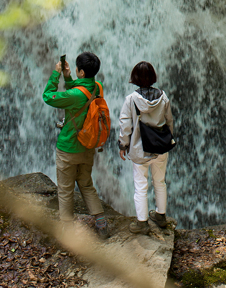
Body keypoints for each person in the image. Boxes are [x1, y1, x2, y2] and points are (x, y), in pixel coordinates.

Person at [43, 51, 110, 239]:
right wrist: (68, 77)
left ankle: (67, 231)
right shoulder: (98, 87)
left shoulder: (73, 96)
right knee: (86, 184)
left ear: (81, 71)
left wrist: (56, 74)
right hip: (88, 147)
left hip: (68, 148)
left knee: (65, 189)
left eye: (77, 70)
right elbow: (80, 89)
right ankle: (101, 223)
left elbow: (48, 96)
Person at [118, 61, 173, 235]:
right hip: (160, 148)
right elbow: (169, 120)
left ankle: (142, 223)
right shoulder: (163, 97)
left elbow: (125, 125)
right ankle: (160, 216)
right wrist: (168, 139)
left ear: (134, 78)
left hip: (140, 148)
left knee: (141, 185)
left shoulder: (131, 99)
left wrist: (123, 144)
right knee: (160, 182)